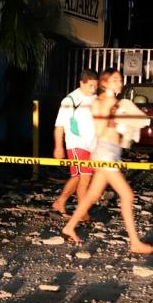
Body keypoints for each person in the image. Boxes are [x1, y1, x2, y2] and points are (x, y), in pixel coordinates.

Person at [61, 68, 153, 255]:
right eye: (115, 80)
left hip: (110, 152)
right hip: (105, 154)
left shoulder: (113, 102)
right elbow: (100, 129)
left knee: (92, 196)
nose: (119, 84)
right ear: (104, 83)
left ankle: (69, 226)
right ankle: (135, 242)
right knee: (127, 196)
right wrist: (118, 117)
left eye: (120, 80)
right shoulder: (104, 101)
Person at [51, 69, 98, 218]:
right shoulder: (69, 100)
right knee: (84, 177)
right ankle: (82, 212)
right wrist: (58, 147)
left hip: (92, 145)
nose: (93, 89)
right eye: (90, 86)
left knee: (79, 177)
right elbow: (59, 126)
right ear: (81, 83)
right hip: (76, 144)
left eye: (95, 86)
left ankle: (61, 201)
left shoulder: (95, 98)